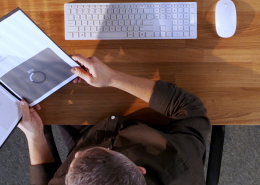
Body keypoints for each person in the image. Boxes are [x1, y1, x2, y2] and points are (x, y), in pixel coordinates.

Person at [18, 54, 211, 185]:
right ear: (139, 170)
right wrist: (111, 78)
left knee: (47, 80)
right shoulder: (182, 167)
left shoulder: (77, 160)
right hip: (146, 124)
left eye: (73, 165)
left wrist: (36, 136)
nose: (75, 155)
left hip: (87, 135)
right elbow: (190, 108)